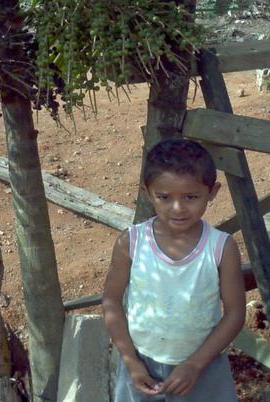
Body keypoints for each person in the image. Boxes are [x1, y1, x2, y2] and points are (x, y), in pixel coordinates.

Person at [102, 138, 245, 401]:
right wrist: (130, 360)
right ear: (148, 193)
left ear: (212, 192)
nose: (178, 208)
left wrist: (195, 364)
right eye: (164, 197)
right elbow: (111, 301)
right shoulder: (131, 242)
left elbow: (235, 313)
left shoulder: (221, 248)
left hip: (203, 367)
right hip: (141, 365)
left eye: (191, 197)